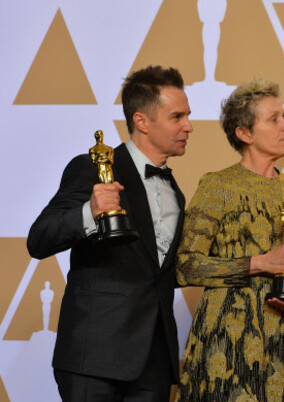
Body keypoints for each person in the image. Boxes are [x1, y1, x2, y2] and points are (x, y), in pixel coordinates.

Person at [27, 65, 192, 401]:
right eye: (177, 117)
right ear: (142, 121)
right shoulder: (91, 167)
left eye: (187, 116)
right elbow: (39, 238)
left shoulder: (174, 190)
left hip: (154, 363)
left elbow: (160, 272)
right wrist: (90, 212)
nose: (188, 126)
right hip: (95, 357)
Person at [175, 78, 284, 401]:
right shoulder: (217, 186)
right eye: (274, 119)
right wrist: (259, 263)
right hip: (226, 343)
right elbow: (186, 265)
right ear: (244, 133)